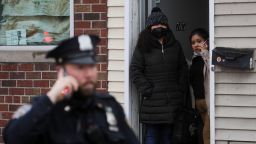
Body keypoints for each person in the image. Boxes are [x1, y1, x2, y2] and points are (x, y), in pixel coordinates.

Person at [3, 35, 140, 144]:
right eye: (80, 67)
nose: (88, 74)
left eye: (91, 66)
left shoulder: (108, 107)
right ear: (61, 71)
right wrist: (51, 98)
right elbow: (14, 138)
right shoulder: (43, 110)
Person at [130, 7, 188, 144]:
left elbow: (183, 68)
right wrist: (147, 89)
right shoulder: (142, 46)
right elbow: (135, 70)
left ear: (167, 26)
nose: (159, 27)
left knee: (168, 137)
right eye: (156, 24)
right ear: (150, 27)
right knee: (152, 137)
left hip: (171, 102)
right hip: (152, 103)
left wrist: (180, 89)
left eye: (162, 24)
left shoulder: (175, 45)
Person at [189, 28, 210, 144]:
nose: (196, 44)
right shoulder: (194, 60)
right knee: (201, 134)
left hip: (208, 102)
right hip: (198, 103)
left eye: (199, 41)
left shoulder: (208, 57)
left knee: (207, 135)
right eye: (193, 42)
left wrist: (205, 52)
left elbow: (213, 72)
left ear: (205, 41)